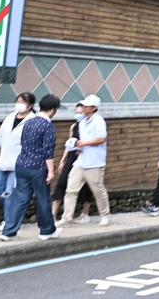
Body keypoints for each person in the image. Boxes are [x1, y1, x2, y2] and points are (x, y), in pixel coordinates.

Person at [0, 94, 60, 242]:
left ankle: (8, 232)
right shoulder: (48, 126)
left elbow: (24, 143)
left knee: (20, 199)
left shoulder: (29, 122)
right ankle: (46, 231)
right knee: (43, 199)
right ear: (52, 110)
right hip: (38, 167)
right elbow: (48, 151)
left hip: (21, 164)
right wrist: (51, 171)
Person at [0, 92, 36, 231]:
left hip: (18, 165)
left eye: (22, 102)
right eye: (18, 101)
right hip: (3, 162)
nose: (19, 104)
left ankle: (8, 221)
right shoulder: (9, 117)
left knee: (8, 193)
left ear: (30, 105)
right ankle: (14, 212)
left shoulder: (32, 120)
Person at [59, 94, 111, 227]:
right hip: (80, 162)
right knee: (71, 189)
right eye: (83, 105)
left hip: (95, 163)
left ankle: (105, 216)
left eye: (86, 106)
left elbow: (101, 139)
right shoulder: (81, 123)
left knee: (98, 190)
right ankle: (66, 217)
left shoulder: (99, 120)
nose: (83, 108)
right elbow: (83, 142)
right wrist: (77, 146)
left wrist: (83, 144)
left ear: (94, 108)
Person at [51, 102, 93, 223]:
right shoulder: (74, 127)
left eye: (81, 112)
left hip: (85, 159)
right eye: (76, 112)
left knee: (86, 186)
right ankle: (53, 214)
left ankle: (85, 213)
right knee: (62, 183)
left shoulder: (90, 126)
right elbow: (69, 145)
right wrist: (63, 160)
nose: (78, 115)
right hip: (71, 158)